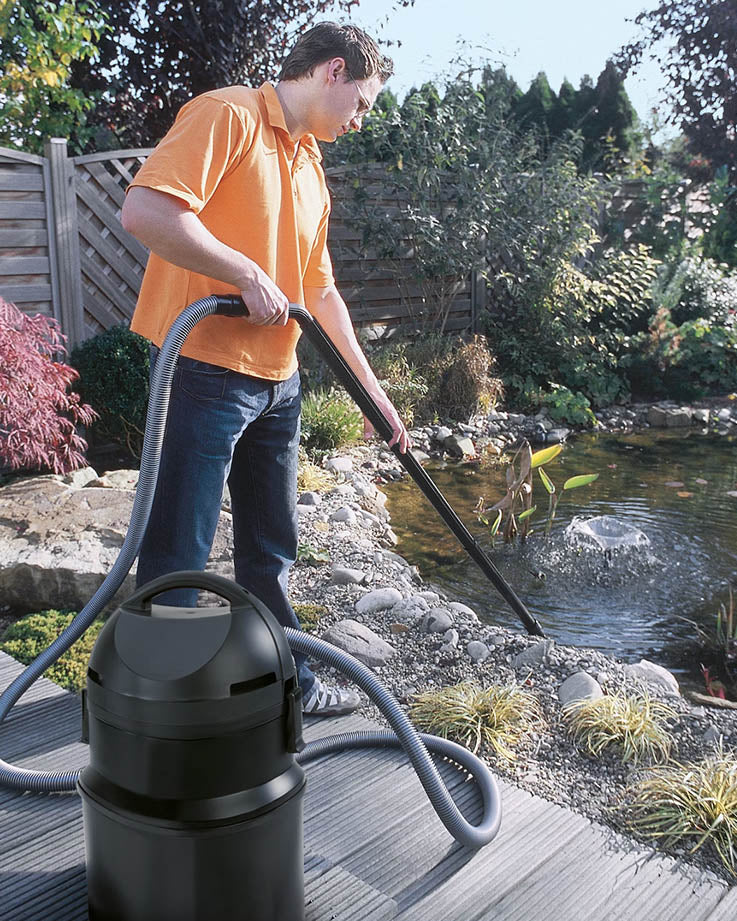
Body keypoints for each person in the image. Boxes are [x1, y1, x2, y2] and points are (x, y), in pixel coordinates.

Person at [120, 22, 409, 717]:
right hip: (202, 371)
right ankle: (161, 710)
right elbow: (146, 209)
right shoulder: (227, 115)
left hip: (280, 382)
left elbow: (319, 293)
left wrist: (373, 393)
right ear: (332, 71)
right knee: (177, 554)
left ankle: (284, 688)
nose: (361, 119)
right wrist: (242, 270)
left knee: (270, 552)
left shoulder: (309, 164)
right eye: (362, 102)